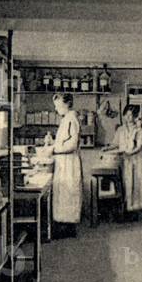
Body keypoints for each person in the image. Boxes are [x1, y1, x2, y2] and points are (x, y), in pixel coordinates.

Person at [111, 105, 142, 217]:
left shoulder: (139, 130)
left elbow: (139, 146)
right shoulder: (120, 129)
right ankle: (126, 208)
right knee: (126, 182)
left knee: (136, 183)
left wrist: (130, 152)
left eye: (131, 115)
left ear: (134, 117)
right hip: (125, 159)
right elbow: (115, 144)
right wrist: (107, 148)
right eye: (127, 115)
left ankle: (135, 209)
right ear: (124, 115)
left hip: (136, 158)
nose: (129, 117)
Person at [51, 93, 82, 236]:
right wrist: (53, 143)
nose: (56, 109)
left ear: (67, 104)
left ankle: (68, 228)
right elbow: (64, 141)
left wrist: (55, 149)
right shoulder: (66, 119)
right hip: (63, 161)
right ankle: (62, 224)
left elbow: (72, 144)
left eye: (58, 106)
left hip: (69, 161)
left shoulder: (72, 119)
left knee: (68, 193)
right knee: (63, 193)